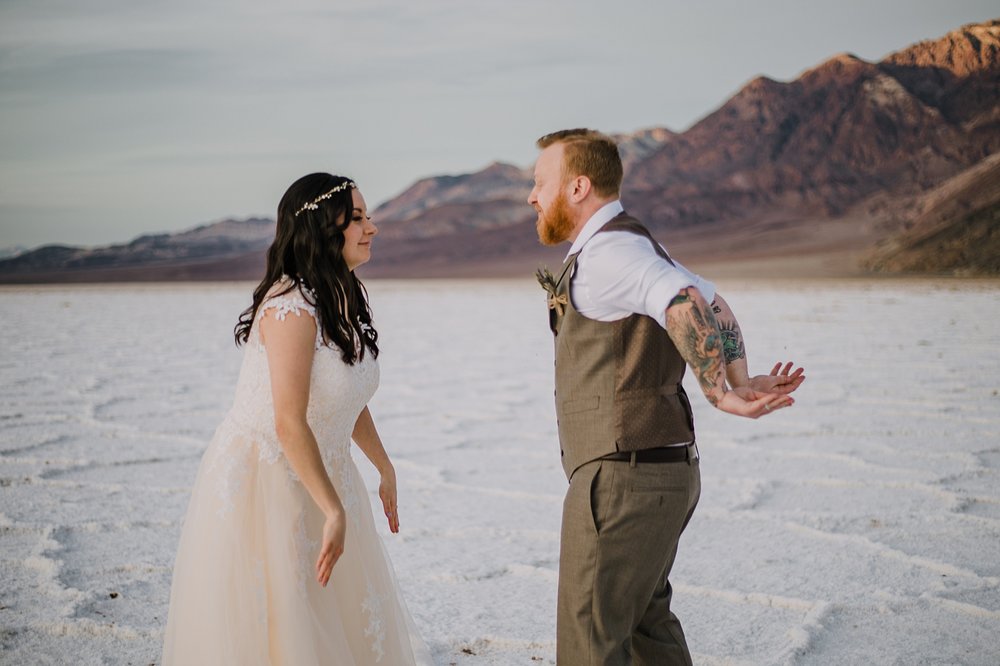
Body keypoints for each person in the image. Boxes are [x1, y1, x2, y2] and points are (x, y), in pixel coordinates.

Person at [528, 129, 806, 665]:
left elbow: (683, 300)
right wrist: (740, 376)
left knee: (591, 640)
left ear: (579, 186)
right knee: (645, 629)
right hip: (660, 472)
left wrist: (720, 392)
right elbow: (713, 301)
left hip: (621, 478)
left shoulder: (610, 253)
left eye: (542, 182)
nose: (532, 196)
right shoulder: (636, 241)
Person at [162, 173, 432, 665]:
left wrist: (383, 465)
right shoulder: (290, 307)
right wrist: (333, 509)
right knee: (288, 626)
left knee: (337, 619)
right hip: (270, 483)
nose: (371, 228)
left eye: (367, 217)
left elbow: (343, 398)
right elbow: (289, 420)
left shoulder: (339, 295)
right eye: (357, 219)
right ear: (321, 229)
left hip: (325, 475)